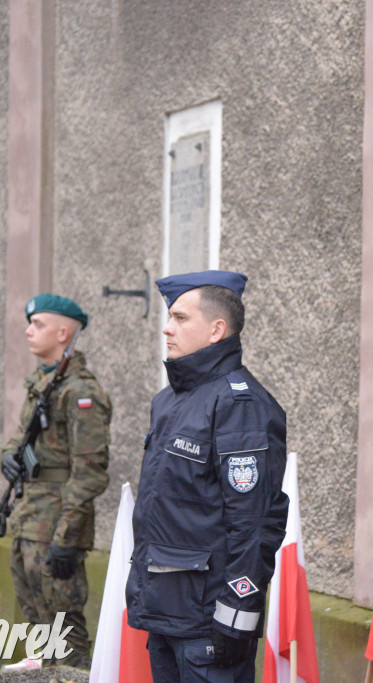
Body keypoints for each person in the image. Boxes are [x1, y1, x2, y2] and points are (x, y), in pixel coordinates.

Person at [127, 270, 289, 682]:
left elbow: (253, 525)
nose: (167, 328)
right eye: (170, 318)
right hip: (166, 613)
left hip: (208, 625)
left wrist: (237, 617)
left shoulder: (241, 405)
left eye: (181, 318)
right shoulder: (169, 401)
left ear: (217, 330)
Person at [0, 294, 111, 668]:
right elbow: (23, 435)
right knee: (36, 611)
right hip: (31, 514)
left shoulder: (81, 391)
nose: (29, 332)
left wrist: (67, 536)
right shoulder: (44, 383)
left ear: (64, 332)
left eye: (39, 325)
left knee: (65, 625)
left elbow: (90, 470)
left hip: (58, 519)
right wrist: (9, 454)